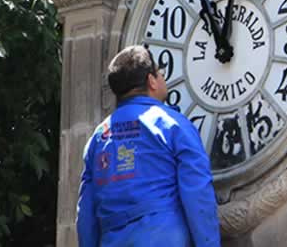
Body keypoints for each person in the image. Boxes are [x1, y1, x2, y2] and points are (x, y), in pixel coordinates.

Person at [77, 45, 221, 247]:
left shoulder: (98, 138)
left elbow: (86, 214)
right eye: (160, 73)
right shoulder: (174, 126)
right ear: (151, 81)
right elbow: (198, 194)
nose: (162, 77)